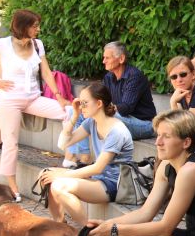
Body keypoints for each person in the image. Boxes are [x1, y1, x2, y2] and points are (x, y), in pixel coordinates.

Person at [0, 10, 70, 200]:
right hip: (9, 101)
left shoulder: (38, 45)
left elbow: (46, 73)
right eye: (35, 26)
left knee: (69, 112)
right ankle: (13, 188)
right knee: (10, 143)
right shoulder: (2, 44)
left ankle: (70, 158)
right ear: (24, 27)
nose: (38, 29)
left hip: (33, 98)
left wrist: (59, 96)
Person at [41, 82, 134, 225]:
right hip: (98, 179)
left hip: (113, 184)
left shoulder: (117, 131)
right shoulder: (92, 122)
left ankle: (88, 230)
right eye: (80, 103)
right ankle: (60, 225)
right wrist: (75, 116)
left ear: (98, 104)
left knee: (58, 185)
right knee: (45, 175)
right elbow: (63, 143)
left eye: (84, 103)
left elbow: (98, 168)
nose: (81, 106)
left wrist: (61, 174)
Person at [102, 41, 157, 139]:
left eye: (107, 58)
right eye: (104, 58)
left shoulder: (134, 76)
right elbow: (102, 99)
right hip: (121, 119)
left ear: (121, 59)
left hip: (144, 124)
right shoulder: (109, 77)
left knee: (100, 114)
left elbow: (126, 108)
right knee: (83, 113)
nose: (103, 61)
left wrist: (102, 109)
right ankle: (82, 154)